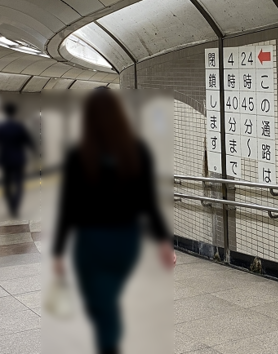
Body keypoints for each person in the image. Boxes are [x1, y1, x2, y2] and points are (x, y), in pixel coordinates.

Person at [52, 88, 176, 354]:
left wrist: (59, 251)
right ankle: (111, 340)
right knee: (106, 299)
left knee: (100, 304)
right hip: (126, 241)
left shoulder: (78, 156)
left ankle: (110, 345)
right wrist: (164, 242)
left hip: (91, 241)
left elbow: (68, 207)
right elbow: (149, 202)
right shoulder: (137, 151)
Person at [0, 102, 35, 218]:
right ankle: (15, 206)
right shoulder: (20, 127)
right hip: (19, 159)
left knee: (6, 184)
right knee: (19, 184)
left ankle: (10, 206)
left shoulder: (0, 128)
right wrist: (36, 154)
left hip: (5, 160)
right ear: (15, 113)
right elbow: (29, 142)